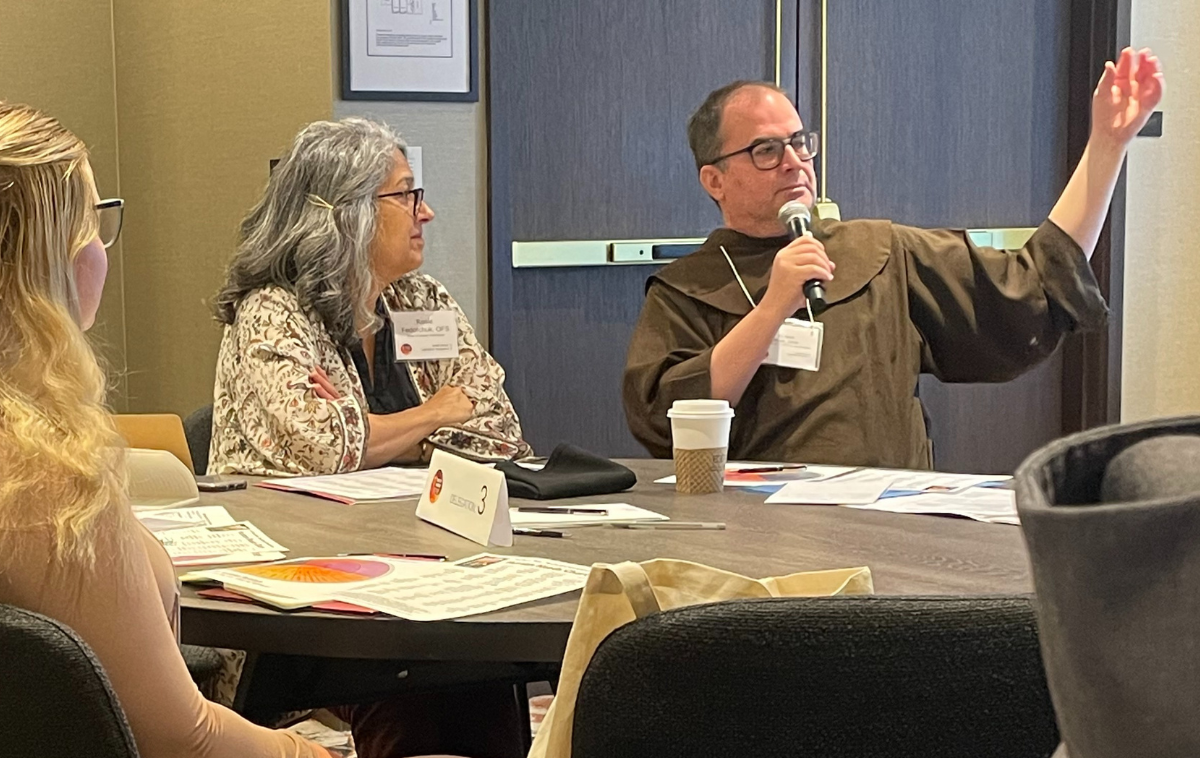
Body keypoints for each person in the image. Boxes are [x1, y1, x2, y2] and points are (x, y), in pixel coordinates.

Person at [624, 48, 1164, 468]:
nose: (794, 162)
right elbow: (667, 423)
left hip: (886, 531)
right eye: (767, 150)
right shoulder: (684, 289)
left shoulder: (879, 251)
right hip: (756, 543)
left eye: (800, 143)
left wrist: (1107, 146)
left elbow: (1033, 285)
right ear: (714, 179)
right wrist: (770, 310)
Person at [0, 102, 332, 757]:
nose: (102, 245)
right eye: (95, 220)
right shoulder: (47, 485)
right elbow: (186, 739)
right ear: (52, 254)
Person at [209, 117, 530, 477]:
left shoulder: (422, 300)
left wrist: (374, 434)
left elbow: (503, 434)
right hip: (288, 523)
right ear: (348, 213)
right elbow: (322, 448)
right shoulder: (271, 312)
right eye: (405, 194)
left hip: (407, 518)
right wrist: (435, 413)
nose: (425, 212)